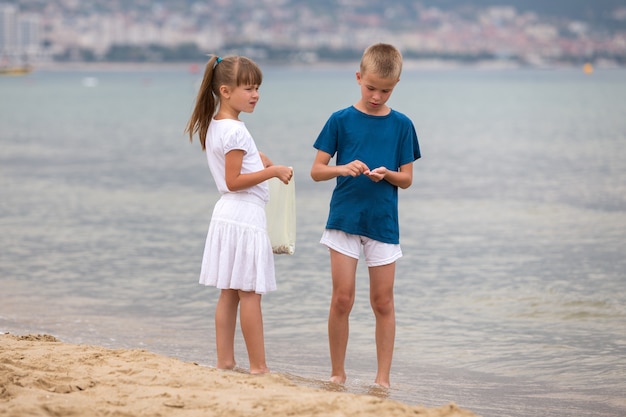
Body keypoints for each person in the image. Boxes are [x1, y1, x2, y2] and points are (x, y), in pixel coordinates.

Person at [310, 43, 421, 388]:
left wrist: (386, 174)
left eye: (385, 90)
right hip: (344, 218)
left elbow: (407, 180)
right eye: (370, 87)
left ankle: (382, 379)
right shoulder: (340, 120)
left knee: (382, 301)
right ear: (358, 77)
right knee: (342, 298)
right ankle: (337, 373)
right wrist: (343, 168)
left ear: (397, 84)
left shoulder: (403, 125)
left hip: (383, 223)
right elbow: (316, 171)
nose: (376, 96)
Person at [185, 55, 293, 374]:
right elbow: (233, 182)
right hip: (244, 216)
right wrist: (272, 171)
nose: (255, 94)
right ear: (225, 91)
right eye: (248, 88)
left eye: (257, 87)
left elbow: (232, 168)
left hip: (227, 215)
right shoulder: (236, 131)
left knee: (229, 293)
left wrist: (256, 160)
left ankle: (225, 362)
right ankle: (259, 368)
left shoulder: (216, 125)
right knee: (250, 294)